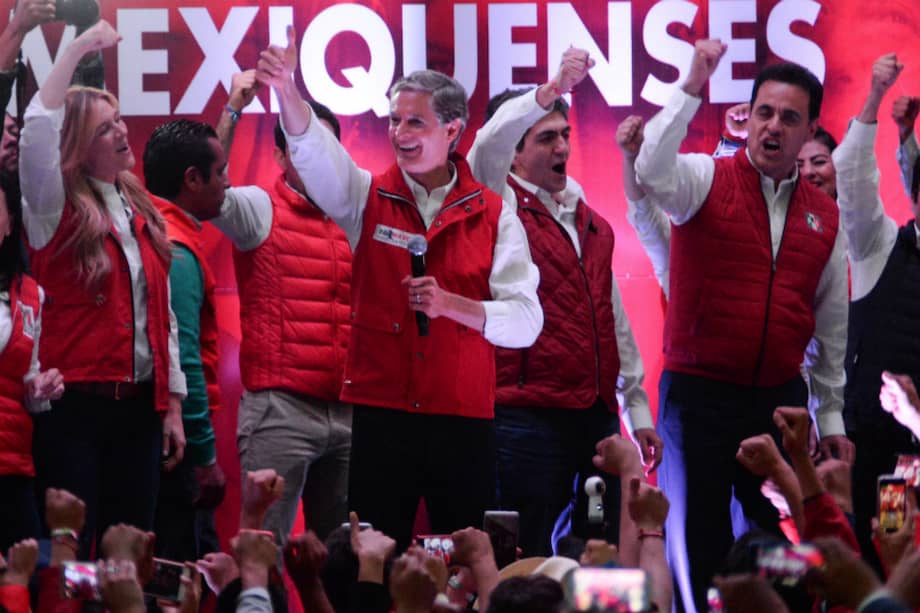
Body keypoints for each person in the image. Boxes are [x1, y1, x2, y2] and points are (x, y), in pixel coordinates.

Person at [255, 26, 542, 551]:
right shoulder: (364, 195)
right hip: (382, 416)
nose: (399, 132)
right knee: (374, 557)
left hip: (463, 419)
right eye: (393, 120)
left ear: (453, 130)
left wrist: (451, 304)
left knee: (469, 557)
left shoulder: (496, 214)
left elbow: (527, 321)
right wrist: (287, 91)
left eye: (415, 121)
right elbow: (316, 153)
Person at [633, 39, 850, 612]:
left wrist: (830, 415)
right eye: (764, 112)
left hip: (777, 402)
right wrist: (691, 83)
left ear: (809, 133)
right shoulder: (704, 179)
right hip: (698, 396)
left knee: (781, 549)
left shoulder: (826, 216)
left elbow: (831, 325)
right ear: (749, 116)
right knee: (697, 543)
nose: (773, 127)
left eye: (789, 117)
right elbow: (650, 170)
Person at [467, 47, 659, 557]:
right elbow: (486, 143)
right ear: (514, 150)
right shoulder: (493, 202)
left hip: (594, 422)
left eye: (565, 135)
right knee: (522, 553)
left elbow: (610, 317)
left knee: (599, 547)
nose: (562, 146)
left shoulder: (593, 222)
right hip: (524, 420)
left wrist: (635, 408)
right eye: (546, 136)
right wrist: (550, 89)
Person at [19, 20, 186, 556]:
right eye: (104, 129)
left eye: (119, 122)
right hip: (74, 412)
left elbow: (165, 319)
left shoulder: (141, 209)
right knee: (67, 557)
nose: (122, 133)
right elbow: (37, 131)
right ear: (76, 147)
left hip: (139, 409)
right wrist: (79, 48)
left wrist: (172, 405)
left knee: (132, 551)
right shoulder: (51, 206)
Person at [212, 71, 354, 545]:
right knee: (261, 551)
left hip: (351, 413)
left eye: (325, 149)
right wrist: (233, 108)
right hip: (281, 410)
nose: (316, 160)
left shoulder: (356, 215)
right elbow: (209, 192)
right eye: (302, 147)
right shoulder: (259, 207)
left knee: (343, 563)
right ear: (278, 154)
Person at [832, 53, 920, 573]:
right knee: (875, 567)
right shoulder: (879, 246)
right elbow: (851, 173)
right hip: (875, 458)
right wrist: (873, 98)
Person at [142, 119, 230, 563]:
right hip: (176, 452)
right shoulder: (175, 252)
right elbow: (184, 362)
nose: (228, 183)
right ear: (192, 180)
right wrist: (205, 456)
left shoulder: (159, 234)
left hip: (164, 444)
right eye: (221, 173)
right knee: (180, 572)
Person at [0, 168, 63, 552]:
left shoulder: (30, 295)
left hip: (11, 468)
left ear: (9, 224)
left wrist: (42, 389)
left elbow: (30, 387)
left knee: (23, 583)